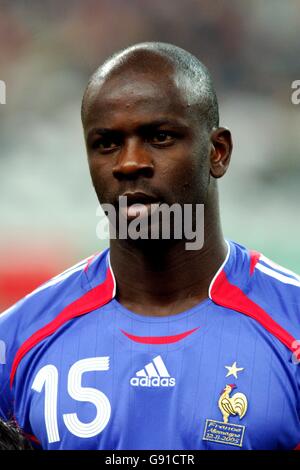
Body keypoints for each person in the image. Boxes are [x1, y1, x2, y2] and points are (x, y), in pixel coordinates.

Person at [0, 42, 299, 450]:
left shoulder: (291, 326)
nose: (128, 163)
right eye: (106, 143)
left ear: (218, 152)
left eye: (159, 137)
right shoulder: (15, 342)